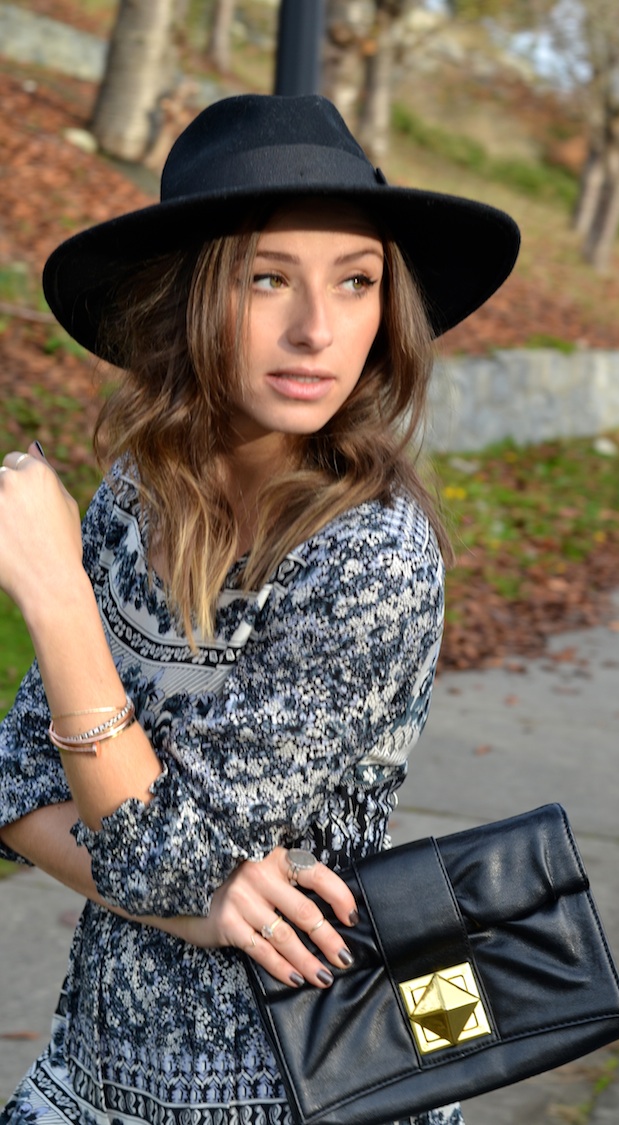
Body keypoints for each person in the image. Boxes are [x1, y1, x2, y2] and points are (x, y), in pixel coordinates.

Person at [0, 93, 520, 1125]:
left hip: (317, 1076)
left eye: (357, 282)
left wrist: (55, 595)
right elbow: (15, 792)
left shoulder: (373, 554)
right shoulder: (130, 500)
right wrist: (203, 910)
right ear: (186, 301)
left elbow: (153, 853)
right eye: (268, 278)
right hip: (102, 1067)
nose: (318, 330)